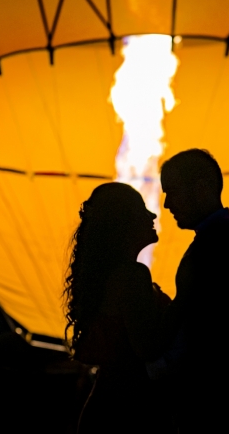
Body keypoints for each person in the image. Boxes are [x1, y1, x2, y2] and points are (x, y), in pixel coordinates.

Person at [158, 148, 229, 432]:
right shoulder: (225, 237)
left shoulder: (218, 241)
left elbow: (212, 327)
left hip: (213, 404)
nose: (167, 204)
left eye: (173, 191)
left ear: (202, 188)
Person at [63, 182, 172, 433]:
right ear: (123, 223)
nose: (152, 214)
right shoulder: (132, 276)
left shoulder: (108, 278)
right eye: (141, 209)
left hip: (109, 408)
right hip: (130, 415)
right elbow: (147, 347)